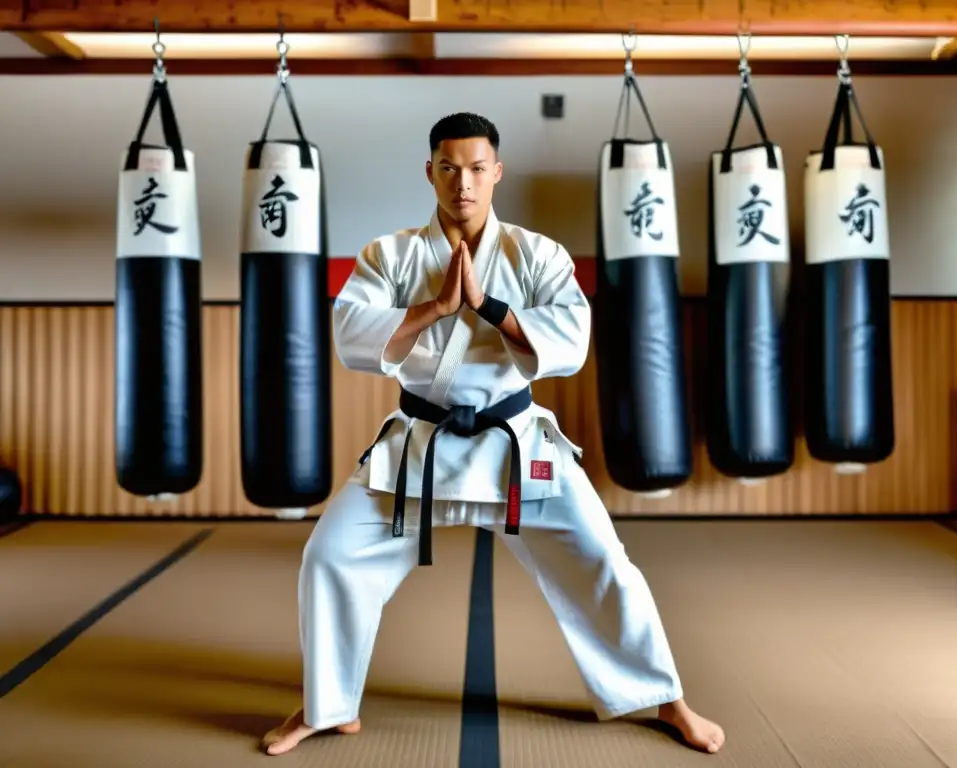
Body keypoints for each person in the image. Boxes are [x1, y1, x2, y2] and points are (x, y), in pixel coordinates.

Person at [260, 112, 726, 756]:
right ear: (430, 172)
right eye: (448, 168)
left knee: (604, 561)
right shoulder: (389, 254)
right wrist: (436, 308)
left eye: (477, 168)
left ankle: (665, 699)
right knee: (330, 556)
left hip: (515, 441)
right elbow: (350, 334)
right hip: (420, 445)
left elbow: (571, 340)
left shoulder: (537, 254)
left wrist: (493, 311)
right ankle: (326, 704)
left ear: (496, 172)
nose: (463, 183)